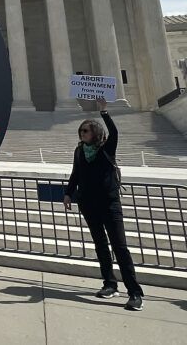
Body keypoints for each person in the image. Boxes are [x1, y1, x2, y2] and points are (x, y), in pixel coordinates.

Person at [64, 98, 144, 311]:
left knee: (119, 247)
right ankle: (109, 284)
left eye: (86, 131)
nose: (82, 134)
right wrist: (68, 194)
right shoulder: (80, 151)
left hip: (109, 204)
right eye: (81, 131)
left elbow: (115, 134)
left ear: (96, 133)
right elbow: (76, 174)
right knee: (100, 245)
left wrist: (104, 112)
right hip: (88, 204)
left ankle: (135, 292)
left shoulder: (107, 148)